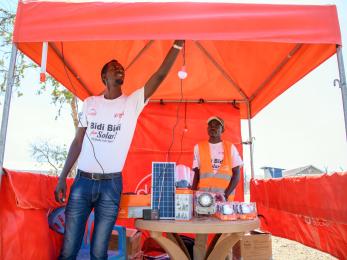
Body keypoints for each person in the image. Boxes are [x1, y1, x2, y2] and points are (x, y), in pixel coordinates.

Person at [54, 40, 185, 260]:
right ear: (104, 77)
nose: (119, 68)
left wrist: (177, 46)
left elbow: (160, 76)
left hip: (111, 185)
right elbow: (77, 142)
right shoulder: (90, 103)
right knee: (69, 248)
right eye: (114, 67)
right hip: (82, 182)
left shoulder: (132, 103)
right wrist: (62, 177)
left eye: (121, 68)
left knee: (99, 251)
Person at [191, 116, 243, 260]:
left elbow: (237, 175)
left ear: (222, 129)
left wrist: (225, 195)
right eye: (210, 125)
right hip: (203, 200)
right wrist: (192, 196)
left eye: (217, 124)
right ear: (207, 128)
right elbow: (196, 174)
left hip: (225, 202)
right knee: (200, 239)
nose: (213, 127)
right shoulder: (198, 147)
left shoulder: (230, 147)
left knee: (224, 239)